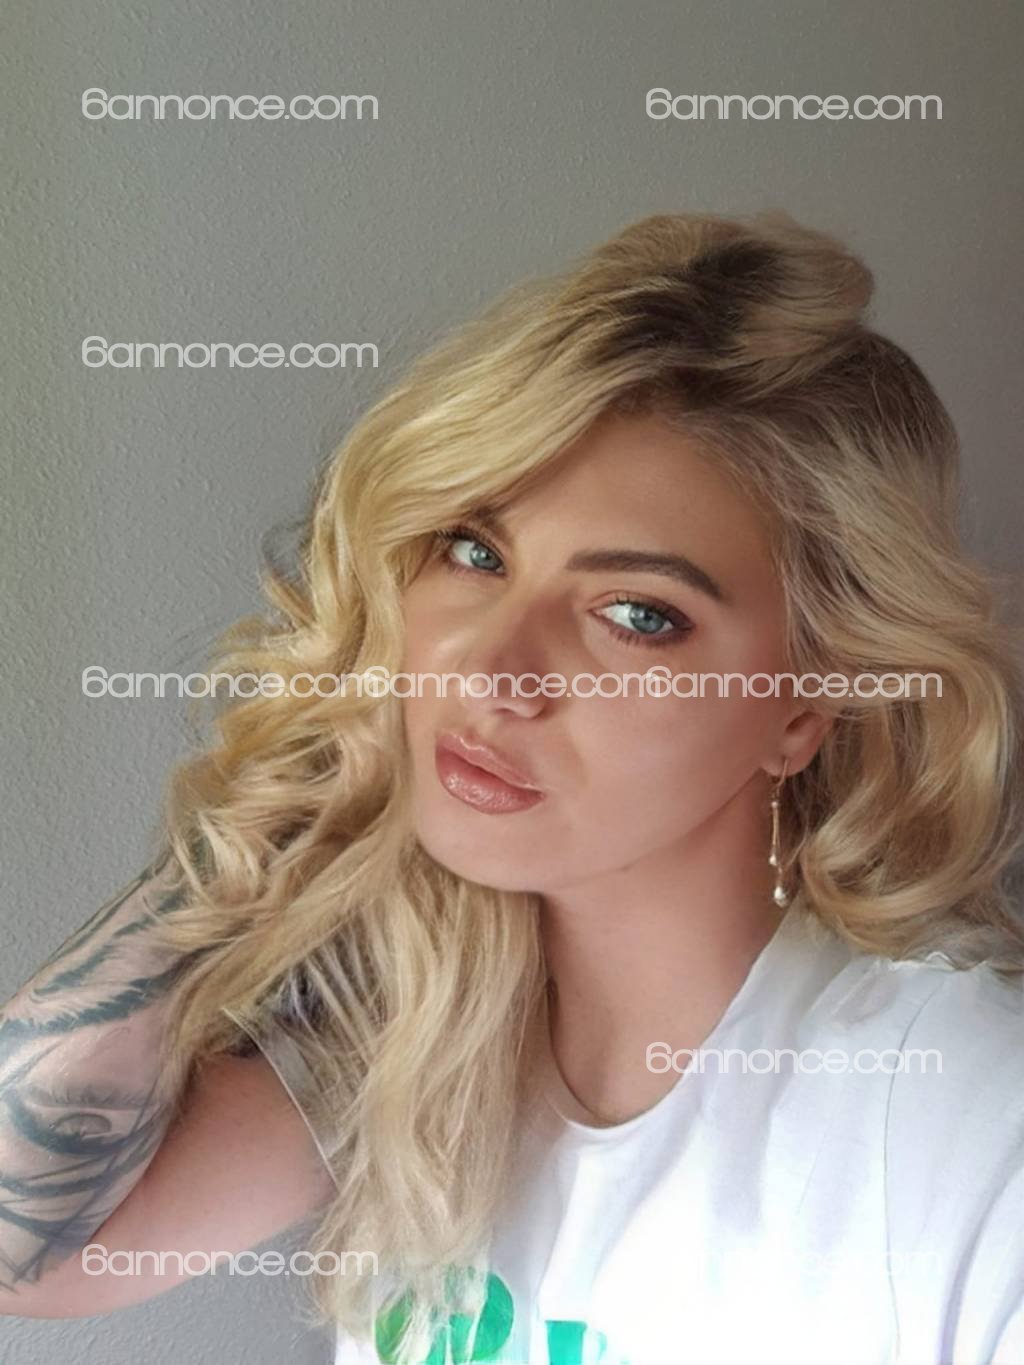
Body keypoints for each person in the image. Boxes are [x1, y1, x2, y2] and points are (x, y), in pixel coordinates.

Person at [1, 209, 1022, 1365]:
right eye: (473, 552)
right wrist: (273, 814)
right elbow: (21, 1248)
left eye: (636, 614)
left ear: (802, 707)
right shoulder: (418, 1037)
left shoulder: (957, 1117)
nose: (489, 671)